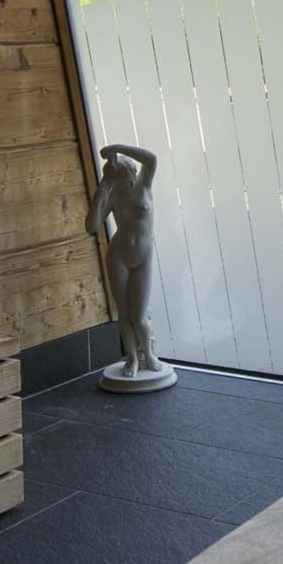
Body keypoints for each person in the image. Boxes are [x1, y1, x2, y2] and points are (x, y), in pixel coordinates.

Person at [85, 143, 171, 386]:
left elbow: (151, 157)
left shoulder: (144, 184)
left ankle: (149, 355)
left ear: (133, 173)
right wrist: (100, 194)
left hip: (143, 254)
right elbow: (91, 227)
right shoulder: (111, 195)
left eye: (127, 176)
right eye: (119, 179)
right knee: (124, 313)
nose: (126, 182)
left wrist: (116, 148)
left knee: (140, 316)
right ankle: (132, 358)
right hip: (119, 255)